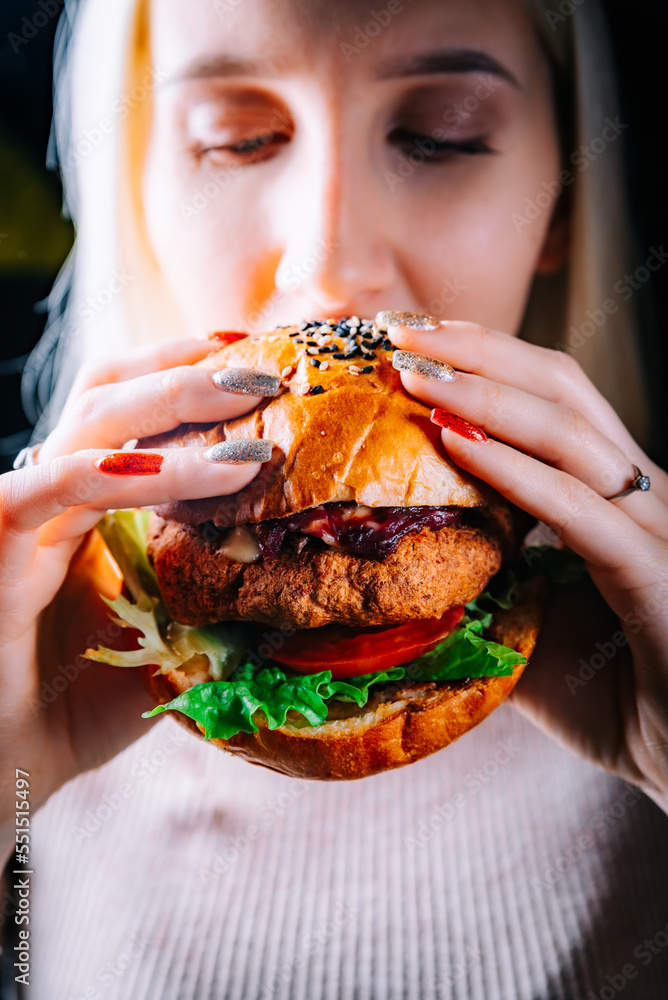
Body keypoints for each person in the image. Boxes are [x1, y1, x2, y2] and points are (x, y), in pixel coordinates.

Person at [1, 0, 667, 996]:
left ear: (562, 198)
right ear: (132, 184)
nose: (326, 273)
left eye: (437, 135)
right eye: (236, 140)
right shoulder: (35, 645)